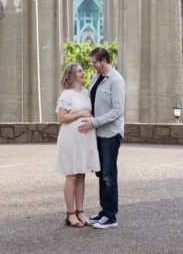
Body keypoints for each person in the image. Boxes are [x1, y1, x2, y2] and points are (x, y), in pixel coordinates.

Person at [78, 45, 125, 229]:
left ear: (104, 61)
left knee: (108, 174)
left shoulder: (116, 81)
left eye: (94, 62)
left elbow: (117, 111)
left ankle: (111, 216)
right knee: (101, 173)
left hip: (110, 133)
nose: (92, 66)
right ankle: (104, 212)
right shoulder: (96, 77)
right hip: (98, 133)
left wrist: (94, 122)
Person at [55, 61, 100, 227]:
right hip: (71, 139)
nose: (83, 73)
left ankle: (81, 211)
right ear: (73, 75)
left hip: (86, 139)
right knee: (72, 175)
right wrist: (80, 113)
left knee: (81, 174)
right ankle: (70, 213)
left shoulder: (87, 93)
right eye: (80, 71)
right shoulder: (66, 95)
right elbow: (62, 118)